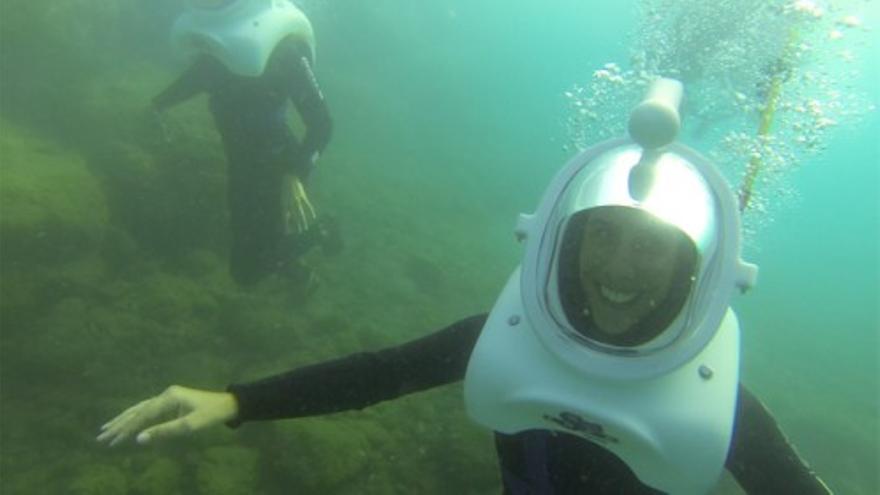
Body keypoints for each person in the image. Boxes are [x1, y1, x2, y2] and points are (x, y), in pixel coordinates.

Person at [100, 79, 832, 494]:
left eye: (651, 248)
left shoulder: (713, 399)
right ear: (562, 239)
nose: (617, 268)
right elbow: (380, 373)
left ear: (689, 271)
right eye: (601, 234)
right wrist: (233, 401)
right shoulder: (513, 331)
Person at [151, 0, 339, 287]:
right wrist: (156, 107)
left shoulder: (286, 50)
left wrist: (295, 175)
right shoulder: (216, 49)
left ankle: (321, 231)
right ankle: (297, 270)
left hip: (278, 166)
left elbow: (322, 124)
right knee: (247, 263)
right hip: (240, 164)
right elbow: (191, 82)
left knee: (249, 271)